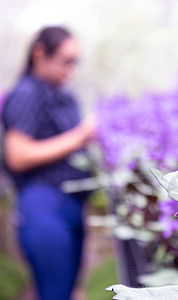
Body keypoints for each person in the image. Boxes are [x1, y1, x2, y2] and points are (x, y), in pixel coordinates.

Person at [1, 26, 96, 300]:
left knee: (64, 292)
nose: (71, 69)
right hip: (44, 206)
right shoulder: (27, 93)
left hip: (71, 207)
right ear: (40, 53)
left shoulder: (62, 95)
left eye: (75, 62)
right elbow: (17, 156)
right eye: (65, 61)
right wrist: (80, 136)